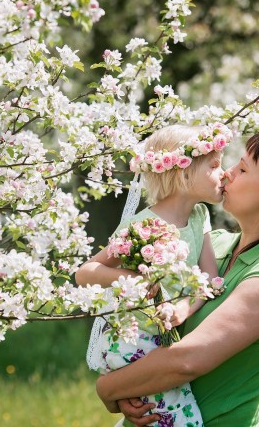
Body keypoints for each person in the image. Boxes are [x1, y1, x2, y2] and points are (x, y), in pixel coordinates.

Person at [95, 131, 259, 426]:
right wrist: (135, 385)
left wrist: (109, 388)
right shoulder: (213, 243)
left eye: (242, 169)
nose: (227, 173)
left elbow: (187, 360)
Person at [76, 124, 231, 426]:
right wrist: (134, 279)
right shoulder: (142, 225)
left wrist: (182, 308)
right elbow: (85, 273)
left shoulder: (200, 217)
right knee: (183, 420)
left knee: (162, 417)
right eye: (214, 166)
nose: (223, 173)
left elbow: (209, 280)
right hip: (132, 342)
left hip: (162, 342)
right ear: (184, 172)